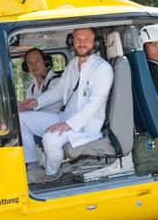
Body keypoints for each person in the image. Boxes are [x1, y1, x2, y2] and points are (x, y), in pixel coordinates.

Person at [18, 28, 114, 183]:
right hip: (64, 118)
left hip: (85, 127)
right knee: (21, 119)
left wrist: (68, 124)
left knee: (50, 138)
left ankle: (51, 174)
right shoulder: (72, 64)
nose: (82, 43)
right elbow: (58, 90)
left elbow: (94, 104)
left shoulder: (102, 68)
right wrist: (36, 102)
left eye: (87, 39)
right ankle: (33, 166)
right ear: (72, 41)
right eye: (78, 39)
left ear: (95, 43)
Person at [23, 48, 62, 113]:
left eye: (37, 61)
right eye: (30, 63)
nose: (34, 65)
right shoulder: (31, 88)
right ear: (26, 68)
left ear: (45, 61)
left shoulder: (58, 81)